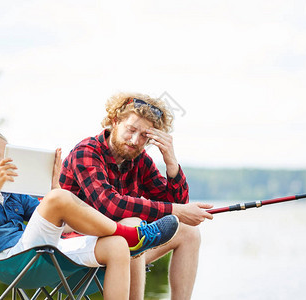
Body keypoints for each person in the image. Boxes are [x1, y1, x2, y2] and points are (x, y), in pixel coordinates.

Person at [0, 126, 180, 300]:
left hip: (39, 251)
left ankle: (128, 237)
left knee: (117, 246)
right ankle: (134, 235)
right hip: (7, 260)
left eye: (5, 158)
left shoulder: (16, 192)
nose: (1, 163)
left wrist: (54, 186)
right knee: (59, 200)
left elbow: (62, 224)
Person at [60, 92, 214, 300]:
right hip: (72, 249)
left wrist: (171, 163)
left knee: (187, 232)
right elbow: (110, 206)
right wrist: (176, 210)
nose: (135, 140)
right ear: (115, 121)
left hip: (120, 247)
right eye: (131, 130)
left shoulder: (140, 159)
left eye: (144, 136)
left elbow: (177, 208)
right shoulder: (86, 153)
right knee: (134, 226)